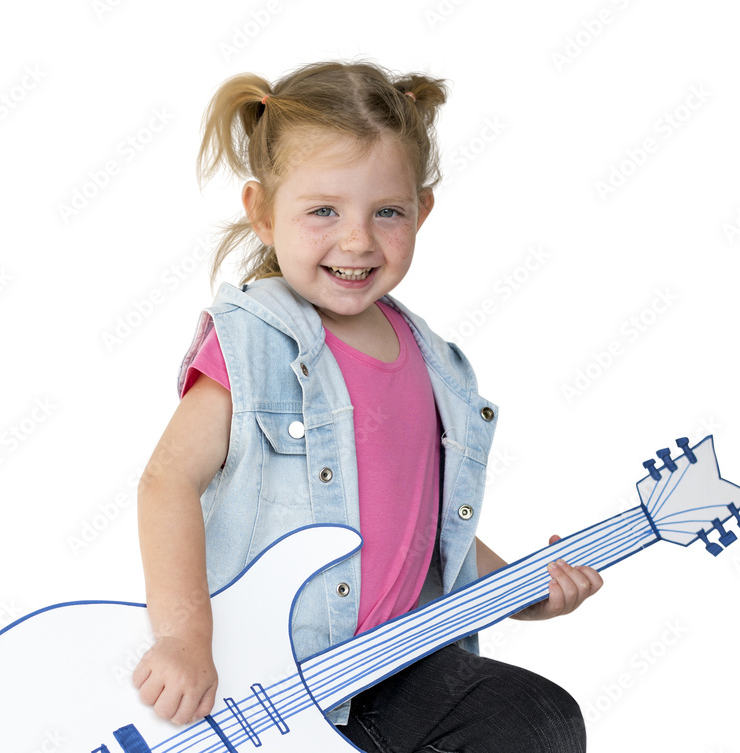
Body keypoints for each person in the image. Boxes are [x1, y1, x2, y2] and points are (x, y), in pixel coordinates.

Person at [132, 59, 603, 753]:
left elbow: (427, 529)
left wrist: (526, 589)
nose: (357, 240)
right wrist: (183, 637)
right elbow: (166, 480)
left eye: (387, 212)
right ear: (262, 211)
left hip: (390, 667)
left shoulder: (434, 361)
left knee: (538, 719)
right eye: (323, 210)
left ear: (423, 210)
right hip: (269, 673)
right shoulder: (253, 341)